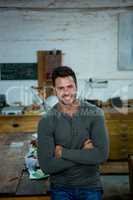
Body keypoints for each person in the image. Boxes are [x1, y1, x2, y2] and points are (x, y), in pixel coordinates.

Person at [38, 66, 109, 200]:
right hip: (60, 188)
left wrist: (64, 153)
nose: (66, 92)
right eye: (60, 88)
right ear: (54, 90)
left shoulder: (95, 114)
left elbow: (101, 155)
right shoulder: (46, 121)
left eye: (70, 86)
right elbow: (47, 166)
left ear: (76, 87)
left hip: (90, 186)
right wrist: (84, 153)